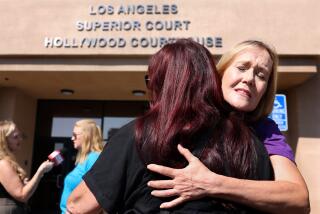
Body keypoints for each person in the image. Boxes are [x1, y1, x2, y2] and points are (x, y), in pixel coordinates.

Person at [67, 39, 277, 213]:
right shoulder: (249, 141)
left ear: (163, 83)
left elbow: (78, 205)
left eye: (151, 80)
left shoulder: (138, 134)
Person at [147, 40, 310, 213]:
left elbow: (298, 199)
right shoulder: (190, 115)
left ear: (266, 92)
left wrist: (211, 183)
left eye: (261, 75)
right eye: (241, 68)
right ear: (221, 72)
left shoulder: (266, 131)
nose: (249, 79)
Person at [0, 120, 54, 214]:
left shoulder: (7, 161)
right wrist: (40, 171)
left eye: (20, 136)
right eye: (15, 137)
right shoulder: (3, 164)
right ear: (4, 141)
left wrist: (24, 184)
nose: (20, 139)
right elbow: (22, 195)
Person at [60, 119, 103, 214]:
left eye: (75, 135)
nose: (72, 138)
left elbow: (98, 195)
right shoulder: (85, 159)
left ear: (87, 136)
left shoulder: (94, 158)